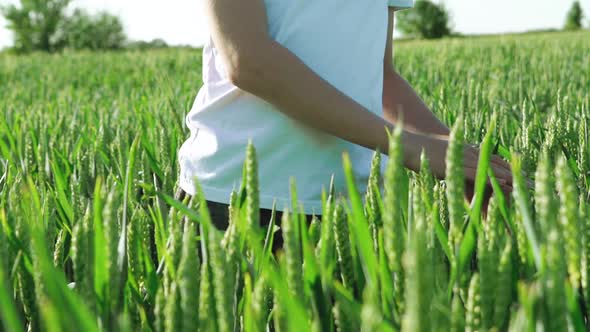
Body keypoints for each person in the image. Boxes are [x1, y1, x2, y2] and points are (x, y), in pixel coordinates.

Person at [176, 0, 513, 248]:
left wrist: (461, 161)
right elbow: (247, 60)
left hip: (352, 205)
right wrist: (406, 147)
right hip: (238, 201)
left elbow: (381, 76)